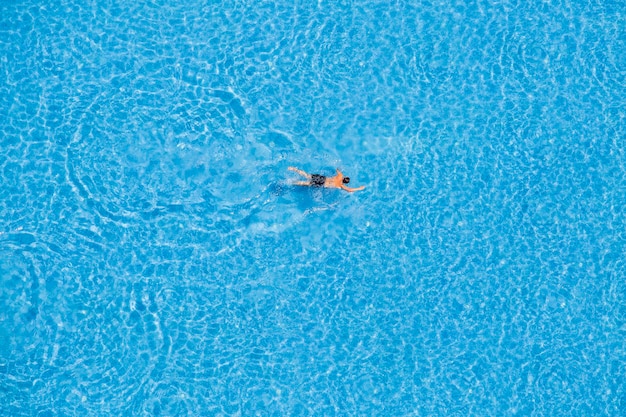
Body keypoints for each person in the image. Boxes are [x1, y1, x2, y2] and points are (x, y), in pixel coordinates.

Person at [288, 166, 365, 192]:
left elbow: (337, 170)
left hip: (322, 178)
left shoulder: (340, 175)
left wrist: (339, 170)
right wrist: (360, 188)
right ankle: (291, 182)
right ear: (345, 182)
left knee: (307, 175)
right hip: (323, 184)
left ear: (344, 177)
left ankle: (294, 169)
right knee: (306, 183)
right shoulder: (340, 185)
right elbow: (350, 190)